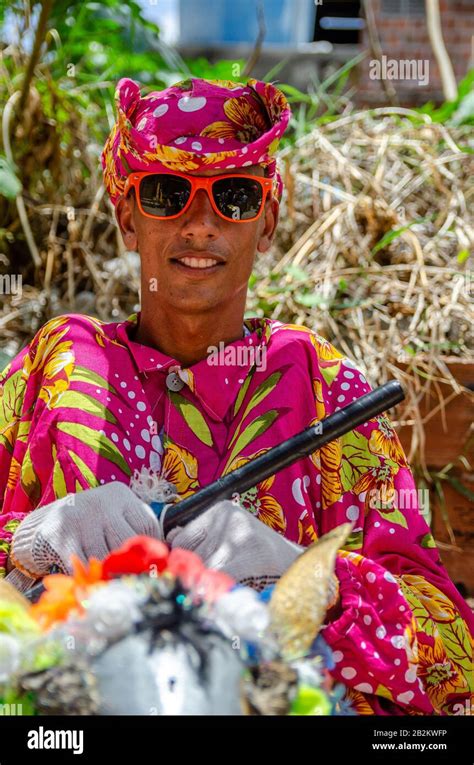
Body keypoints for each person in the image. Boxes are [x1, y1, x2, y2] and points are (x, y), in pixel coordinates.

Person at [0, 77, 472, 716]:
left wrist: (315, 583)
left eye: (236, 195)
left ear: (268, 221)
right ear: (128, 220)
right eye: (167, 195)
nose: (201, 224)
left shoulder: (327, 391)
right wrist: (24, 543)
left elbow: (452, 651)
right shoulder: (55, 368)